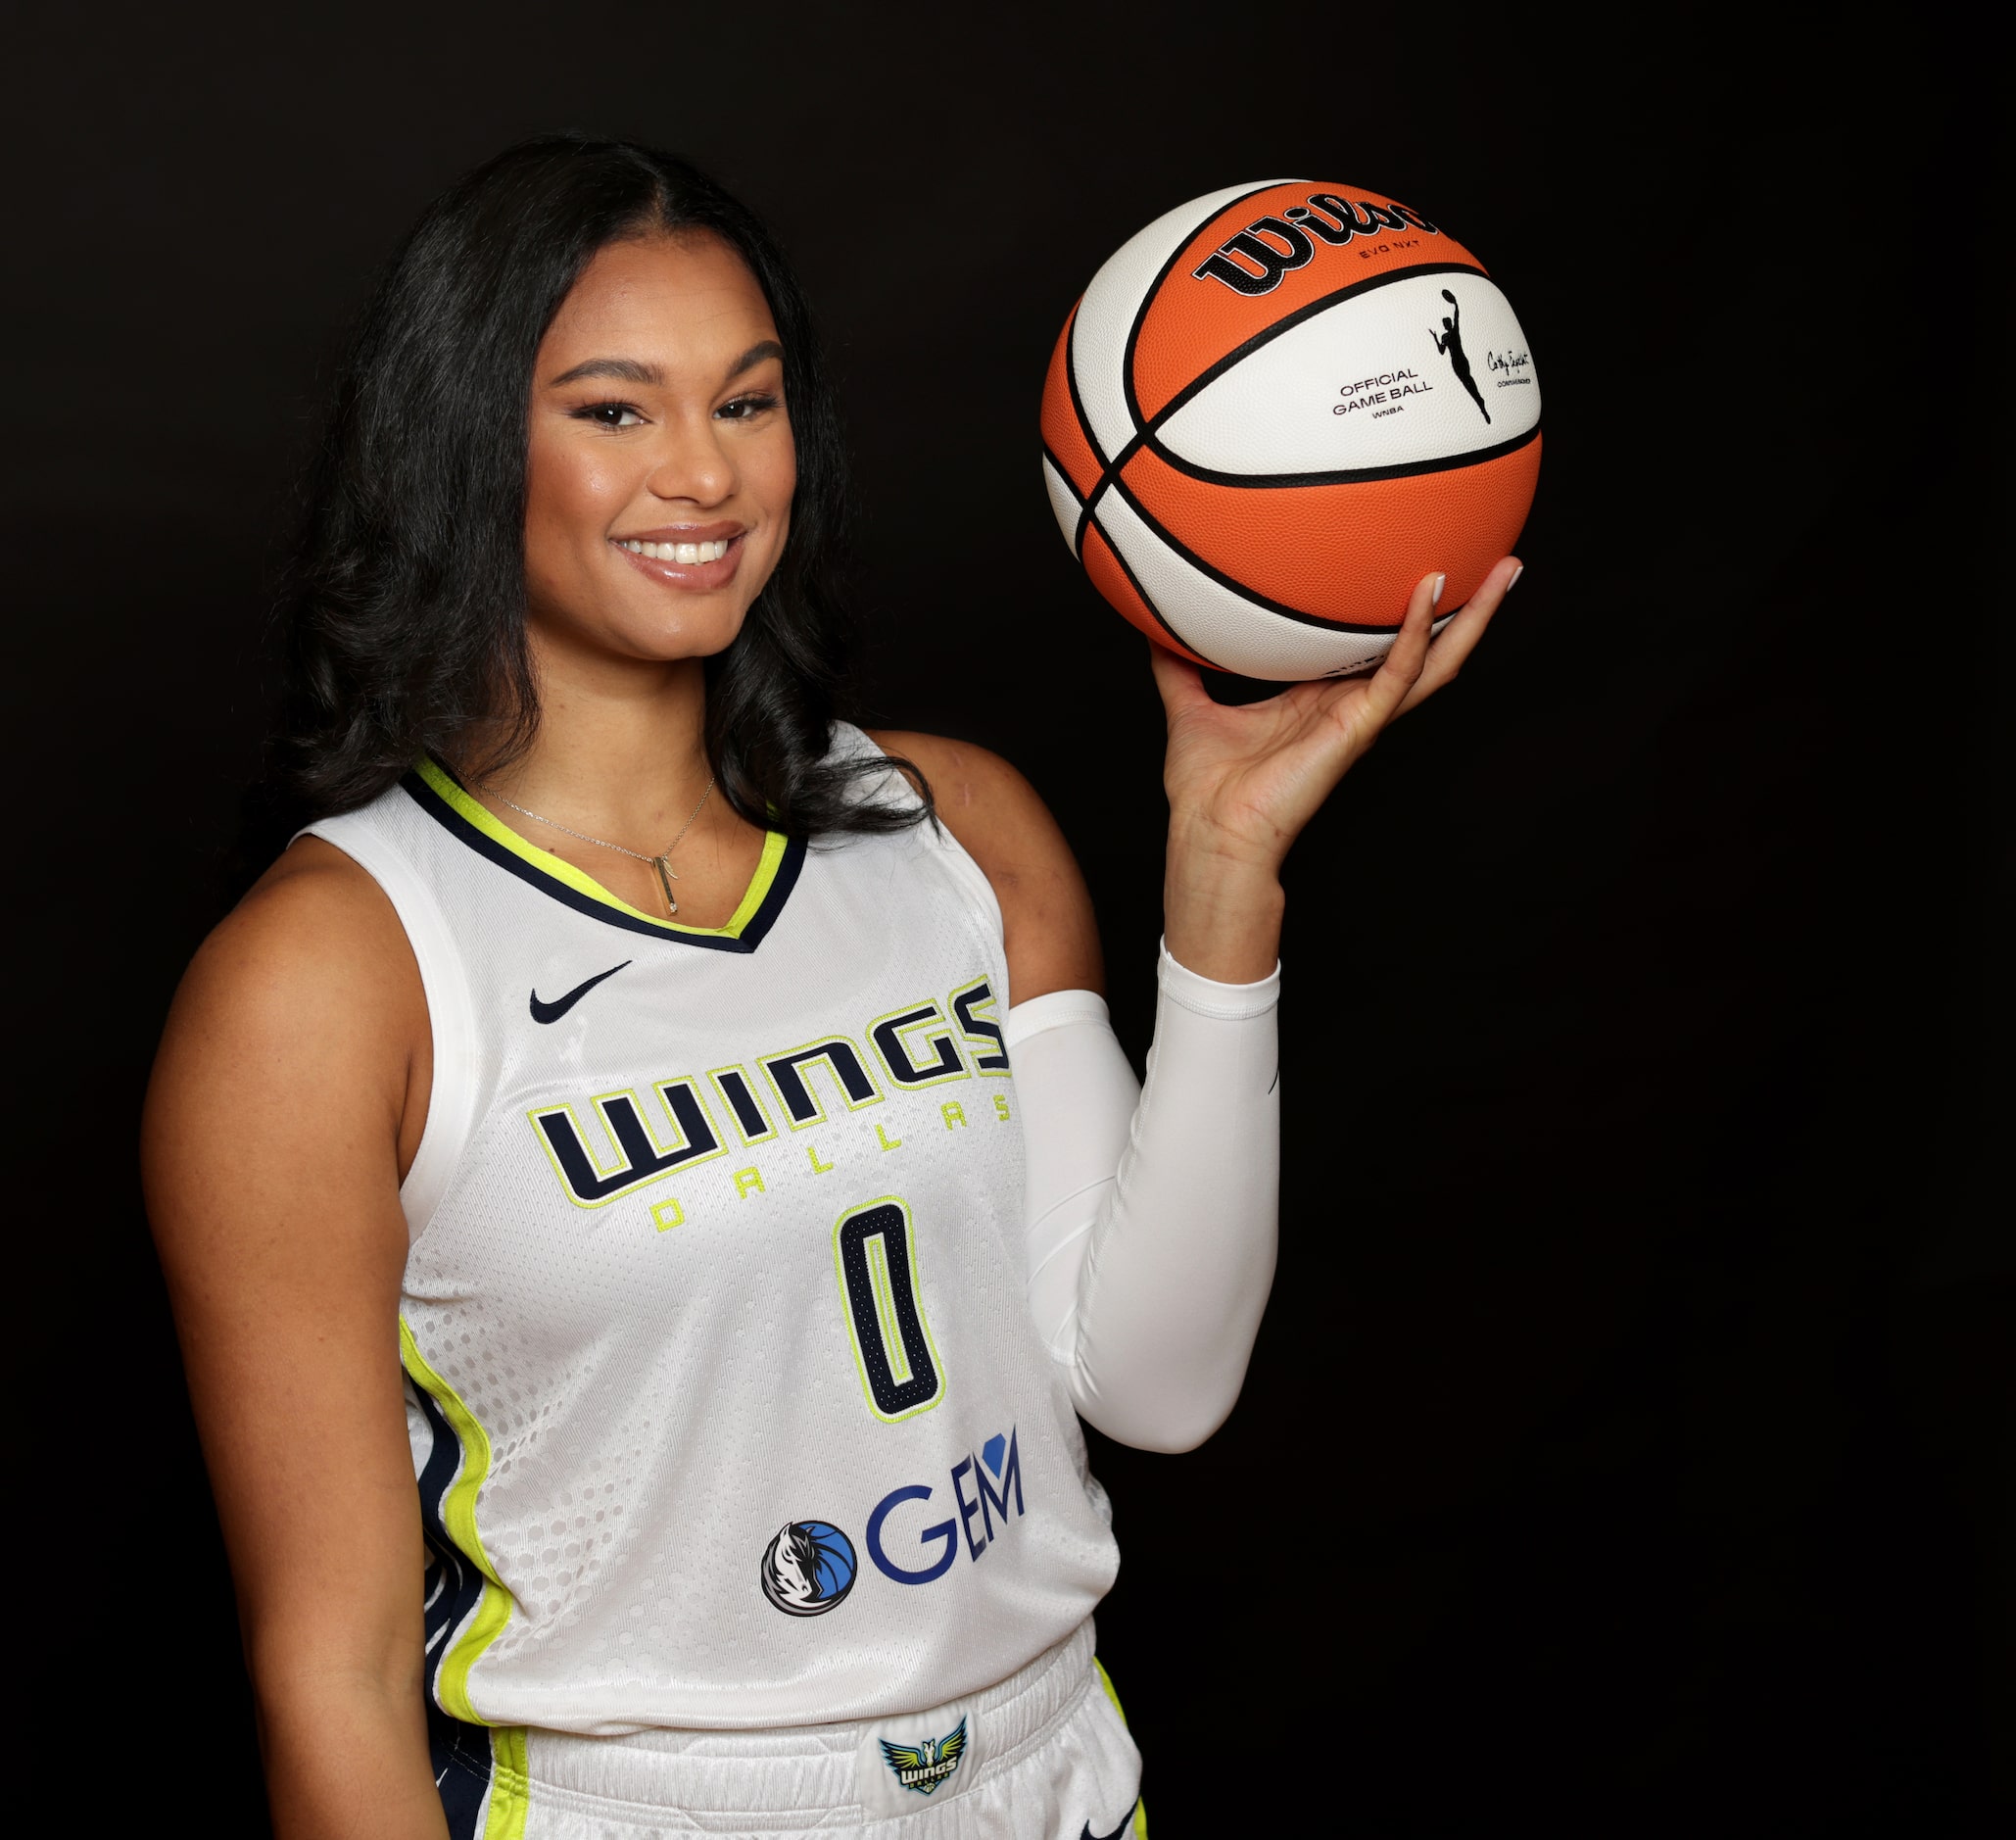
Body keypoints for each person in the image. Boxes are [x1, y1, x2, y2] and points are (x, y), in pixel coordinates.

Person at [143, 134, 1518, 1840]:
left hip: (1054, 1779)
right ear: (461, 442)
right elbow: (328, 1680)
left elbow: (1156, 1384)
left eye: (748, 400)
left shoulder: (957, 831)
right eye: (613, 409)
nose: (704, 475)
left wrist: (1222, 873)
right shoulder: (333, 977)